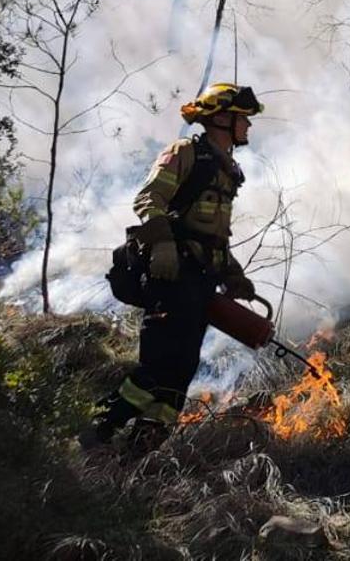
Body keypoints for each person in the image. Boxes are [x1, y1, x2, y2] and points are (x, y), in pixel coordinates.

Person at [80, 82, 264, 451]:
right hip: (170, 276)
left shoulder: (227, 170)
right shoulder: (184, 152)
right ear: (222, 118)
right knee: (156, 369)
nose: (248, 126)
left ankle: (140, 452)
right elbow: (149, 199)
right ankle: (94, 434)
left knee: (179, 375)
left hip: (198, 282)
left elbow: (211, 235)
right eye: (243, 119)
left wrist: (233, 274)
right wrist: (162, 243)